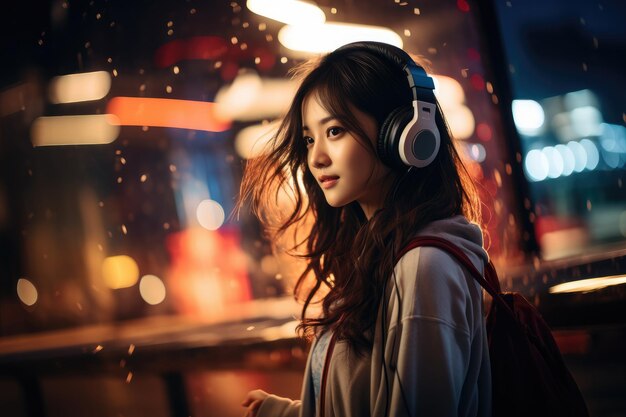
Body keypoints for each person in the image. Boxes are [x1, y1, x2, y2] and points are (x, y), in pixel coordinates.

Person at [238, 41, 492, 417]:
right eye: (309, 138)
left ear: (403, 134)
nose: (316, 157)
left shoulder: (424, 268)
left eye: (336, 131)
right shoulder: (380, 256)